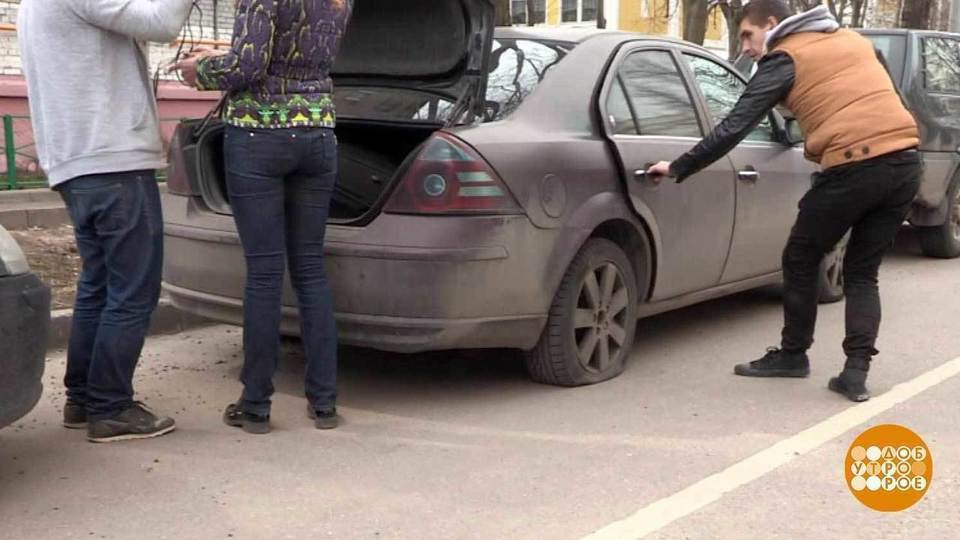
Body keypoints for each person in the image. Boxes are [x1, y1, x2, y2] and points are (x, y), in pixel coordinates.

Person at [647, 1, 921, 402]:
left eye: (747, 35)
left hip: (853, 166)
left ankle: (793, 356)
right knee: (863, 272)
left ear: (772, 25)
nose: (746, 48)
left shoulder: (785, 57)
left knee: (799, 258)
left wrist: (678, 167)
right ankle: (855, 373)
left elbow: (736, 124)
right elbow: (890, 99)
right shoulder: (853, 41)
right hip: (905, 163)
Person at [172, 0, 353, 434]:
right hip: (317, 131)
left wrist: (202, 70)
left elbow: (248, 66)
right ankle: (325, 403)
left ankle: (255, 405)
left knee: (265, 272)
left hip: (258, 137)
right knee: (310, 268)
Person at [17, 0, 193, 442]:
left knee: (100, 285)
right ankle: (111, 407)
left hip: (78, 163)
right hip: (112, 159)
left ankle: (85, 397)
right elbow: (163, 22)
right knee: (133, 290)